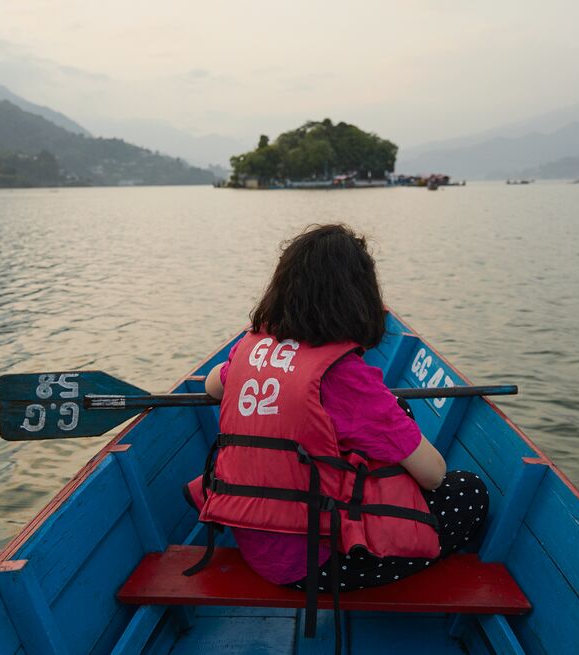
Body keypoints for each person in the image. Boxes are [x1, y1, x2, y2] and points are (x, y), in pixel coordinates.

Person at [183, 224, 488, 640]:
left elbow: (212, 386)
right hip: (313, 563)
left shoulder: (251, 346)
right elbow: (433, 474)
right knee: (467, 491)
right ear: (355, 296)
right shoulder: (345, 375)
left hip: (251, 543)